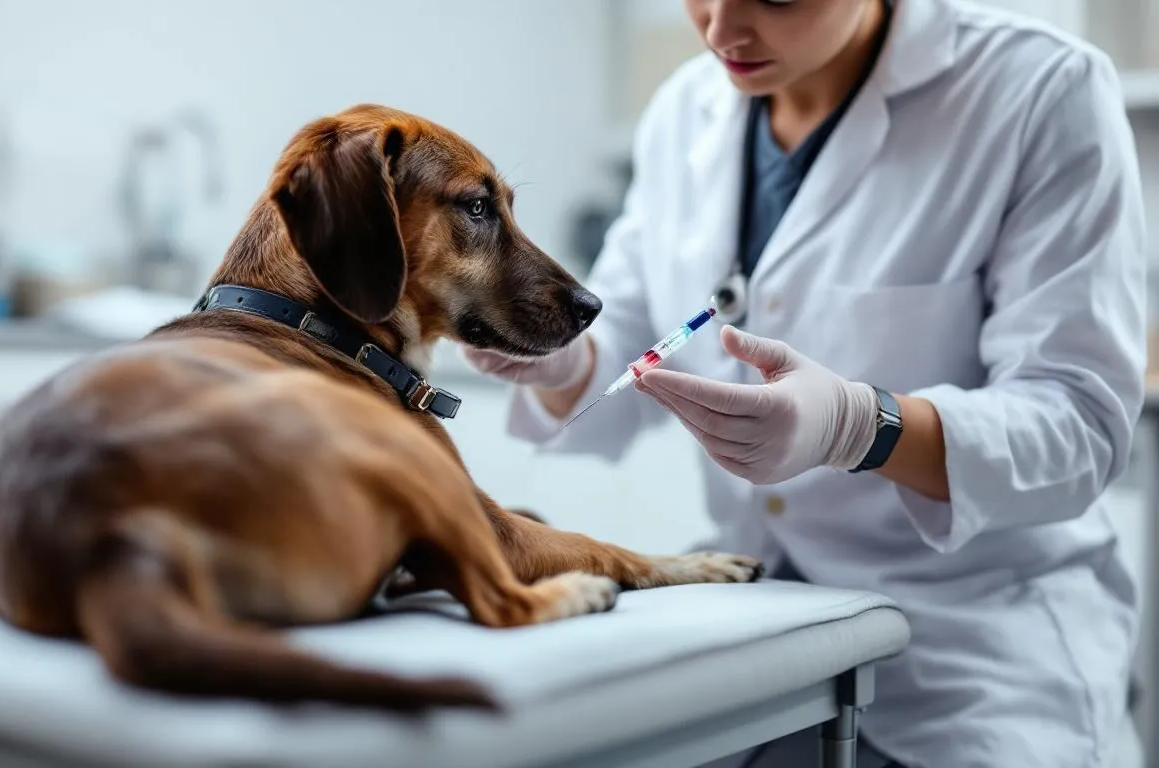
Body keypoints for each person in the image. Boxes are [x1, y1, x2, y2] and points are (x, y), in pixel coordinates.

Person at [461, 0, 1149, 766]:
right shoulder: (684, 110)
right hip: (758, 627)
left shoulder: (1041, 92)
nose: (721, 30)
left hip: (972, 652)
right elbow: (630, 343)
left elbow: (1080, 425)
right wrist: (559, 361)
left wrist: (863, 426)